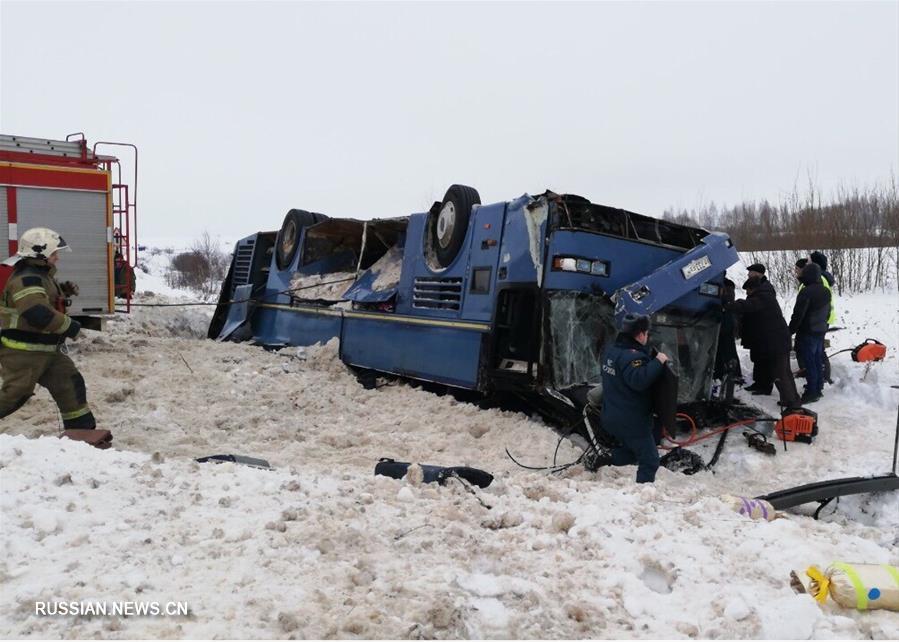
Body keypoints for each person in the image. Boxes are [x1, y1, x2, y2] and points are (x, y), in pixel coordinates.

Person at [0, 228, 95, 430]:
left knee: (70, 385)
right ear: (39, 255)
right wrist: (71, 326)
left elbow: (45, 297)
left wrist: (64, 290)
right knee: (13, 395)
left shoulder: (41, 276)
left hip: (48, 350)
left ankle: (81, 433)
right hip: (23, 352)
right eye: (54, 253)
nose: (57, 257)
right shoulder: (26, 279)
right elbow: (36, 312)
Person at [599, 313, 669, 483]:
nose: (647, 337)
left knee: (632, 451)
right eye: (647, 333)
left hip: (611, 415)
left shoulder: (611, 351)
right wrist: (658, 361)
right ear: (640, 334)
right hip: (632, 420)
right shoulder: (633, 356)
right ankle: (642, 495)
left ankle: (606, 458)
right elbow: (639, 380)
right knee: (650, 460)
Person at [729, 274, 800, 409]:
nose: (747, 294)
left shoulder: (764, 297)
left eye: (747, 291)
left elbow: (749, 305)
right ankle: (790, 399)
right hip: (779, 340)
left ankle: (793, 404)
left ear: (753, 288)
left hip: (777, 342)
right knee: (784, 372)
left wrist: (730, 305)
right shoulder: (764, 295)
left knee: (780, 373)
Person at [789, 261, 831, 404]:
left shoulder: (806, 292)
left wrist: (790, 330)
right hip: (820, 330)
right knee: (817, 361)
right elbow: (827, 312)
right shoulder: (825, 290)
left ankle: (812, 392)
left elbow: (798, 314)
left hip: (808, 332)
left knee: (810, 362)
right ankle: (818, 387)